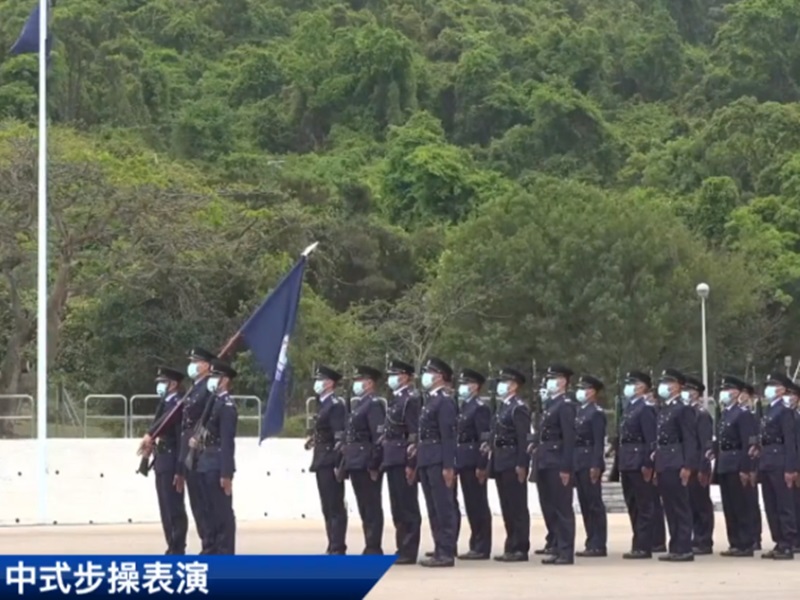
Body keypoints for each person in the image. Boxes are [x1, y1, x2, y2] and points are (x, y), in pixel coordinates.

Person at [413, 357, 458, 568]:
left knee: (443, 507)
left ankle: (446, 552)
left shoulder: (444, 401)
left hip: (439, 459)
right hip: (427, 458)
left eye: (429, 372)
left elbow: (447, 436)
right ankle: (439, 548)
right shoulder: (430, 400)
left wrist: (449, 466)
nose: (425, 376)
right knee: (432, 507)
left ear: (439, 376)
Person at [340, 365, 386, 555]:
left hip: (367, 462)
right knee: (363, 505)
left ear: (369, 383)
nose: (356, 384)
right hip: (356, 461)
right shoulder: (360, 403)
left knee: (372, 504)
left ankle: (374, 545)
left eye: (359, 380)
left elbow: (378, 438)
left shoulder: (374, 404)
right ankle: (369, 542)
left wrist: (374, 463)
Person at [654, 369, 698, 562]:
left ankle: (685, 547)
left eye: (669, 382)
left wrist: (688, 465)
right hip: (664, 461)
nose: (665, 385)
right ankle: (675, 546)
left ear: (679, 386)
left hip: (677, 460)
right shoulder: (665, 408)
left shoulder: (683, 408)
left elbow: (689, 439)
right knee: (669, 506)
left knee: (680, 506)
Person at [535, 364, 577, 565]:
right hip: (546, 460)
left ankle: (566, 551)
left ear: (562, 382)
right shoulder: (551, 404)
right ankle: (558, 547)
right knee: (551, 507)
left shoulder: (566, 405)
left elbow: (569, 439)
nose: (549, 381)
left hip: (558, 461)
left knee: (562, 508)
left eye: (554, 378)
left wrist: (566, 467)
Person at [195, 358, 238, 554]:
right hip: (205, 461)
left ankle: (225, 551)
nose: (212, 380)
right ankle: (212, 549)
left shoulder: (227, 406)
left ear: (225, 380)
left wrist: (226, 473)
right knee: (208, 510)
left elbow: (227, 442)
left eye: (216, 376)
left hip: (217, 463)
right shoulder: (213, 402)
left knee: (222, 513)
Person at [382, 359, 422, 565]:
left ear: (405, 376)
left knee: (407, 505)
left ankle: (409, 549)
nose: (392, 378)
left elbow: (414, 434)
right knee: (396, 505)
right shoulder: (396, 399)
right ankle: (401, 546)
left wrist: (411, 462)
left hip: (402, 457)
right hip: (391, 457)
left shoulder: (410, 399)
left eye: (395, 374)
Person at [489, 367, 531, 562]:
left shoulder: (518, 407)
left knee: (517, 506)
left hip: (513, 460)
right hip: (501, 460)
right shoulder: (504, 406)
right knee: (507, 505)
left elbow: (523, 439)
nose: (500, 385)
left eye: (504, 382)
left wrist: (522, 464)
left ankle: (520, 547)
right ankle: (511, 544)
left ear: (514, 385)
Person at [176, 347, 216, 553]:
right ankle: (205, 543)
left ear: (207, 366)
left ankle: (210, 545)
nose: (193, 365)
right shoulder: (194, 388)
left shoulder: (208, 388)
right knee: (196, 504)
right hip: (189, 451)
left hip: (200, 452)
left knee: (204, 503)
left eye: (197, 361)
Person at [755, 372, 797, 560]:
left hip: (780, 462)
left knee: (783, 505)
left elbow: (790, 442)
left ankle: (788, 543)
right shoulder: (769, 410)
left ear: (782, 390)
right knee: (771, 505)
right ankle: (779, 541)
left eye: (773, 385)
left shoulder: (785, 411)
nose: (769, 388)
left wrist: (791, 468)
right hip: (767, 461)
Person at [306, 365, 348, 555]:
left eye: (321, 379)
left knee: (335, 504)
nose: (317, 383)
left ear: (330, 383)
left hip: (330, 459)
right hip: (321, 458)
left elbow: (339, 436)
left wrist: (338, 464)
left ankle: (338, 546)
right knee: (327, 505)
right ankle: (332, 543)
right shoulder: (322, 403)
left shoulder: (335, 404)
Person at [715, 375, 758, 556]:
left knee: (740, 505)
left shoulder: (743, 414)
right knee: (729, 506)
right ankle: (734, 542)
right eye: (724, 389)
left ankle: (745, 543)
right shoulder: (726, 413)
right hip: (725, 463)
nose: (725, 392)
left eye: (730, 389)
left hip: (736, 463)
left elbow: (747, 444)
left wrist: (745, 468)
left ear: (737, 392)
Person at [619, 371, 658, 560]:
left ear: (642, 387)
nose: (629, 387)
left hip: (639, 460)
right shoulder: (630, 407)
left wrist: (648, 463)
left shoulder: (645, 408)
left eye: (632, 383)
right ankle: (638, 542)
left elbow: (651, 439)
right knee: (632, 504)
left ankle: (644, 545)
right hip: (627, 461)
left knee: (644, 505)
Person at [454, 368, 492, 560]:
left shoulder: (479, 407)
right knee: (470, 504)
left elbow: (483, 440)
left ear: (475, 386)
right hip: (464, 460)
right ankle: (475, 542)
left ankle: (482, 546)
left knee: (478, 504)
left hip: (474, 461)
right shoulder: (465, 406)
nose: (462, 387)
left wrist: (482, 464)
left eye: (466, 383)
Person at [150, 367, 188, 555]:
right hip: (161, 459)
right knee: (165, 506)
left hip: (171, 459)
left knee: (174, 507)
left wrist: (180, 468)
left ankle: (177, 546)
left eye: (163, 382)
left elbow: (181, 439)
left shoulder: (177, 406)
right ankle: (171, 544)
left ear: (173, 384)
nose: (160, 385)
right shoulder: (165, 403)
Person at [573, 375, 608, 557]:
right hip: (579, 461)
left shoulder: (596, 413)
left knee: (594, 504)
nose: (582, 392)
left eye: (585, 388)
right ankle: (590, 540)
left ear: (593, 391)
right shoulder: (580, 411)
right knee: (585, 504)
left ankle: (599, 543)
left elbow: (598, 442)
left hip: (590, 461)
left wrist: (596, 464)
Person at [682, 375, 715, 555]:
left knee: (701, 504)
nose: (686, 393)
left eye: (689, 390)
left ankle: (704, 540)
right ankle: (696, 537)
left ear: (696, 394)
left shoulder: (701, 415)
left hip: (697, 466)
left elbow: (705, 444)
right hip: (686, 464)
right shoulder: (685, 412)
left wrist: (704, 467)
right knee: (689, 504)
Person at [740, 383, 763, 550]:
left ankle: (755, 536)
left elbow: (755, 444)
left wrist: (753, 468)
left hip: (753, 462)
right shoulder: (738, 413)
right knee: (744, 502)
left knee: (751, 502)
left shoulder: (753, 414)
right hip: (743, 461)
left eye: (744, 394)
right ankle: (747, 535)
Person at [645, 389, 668, 553]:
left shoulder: (654, 413)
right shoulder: (659, 414)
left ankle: (658, 540)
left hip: (660, 462)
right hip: (655, 460)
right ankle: (652, 539)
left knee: (655, 504)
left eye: (650, 397)